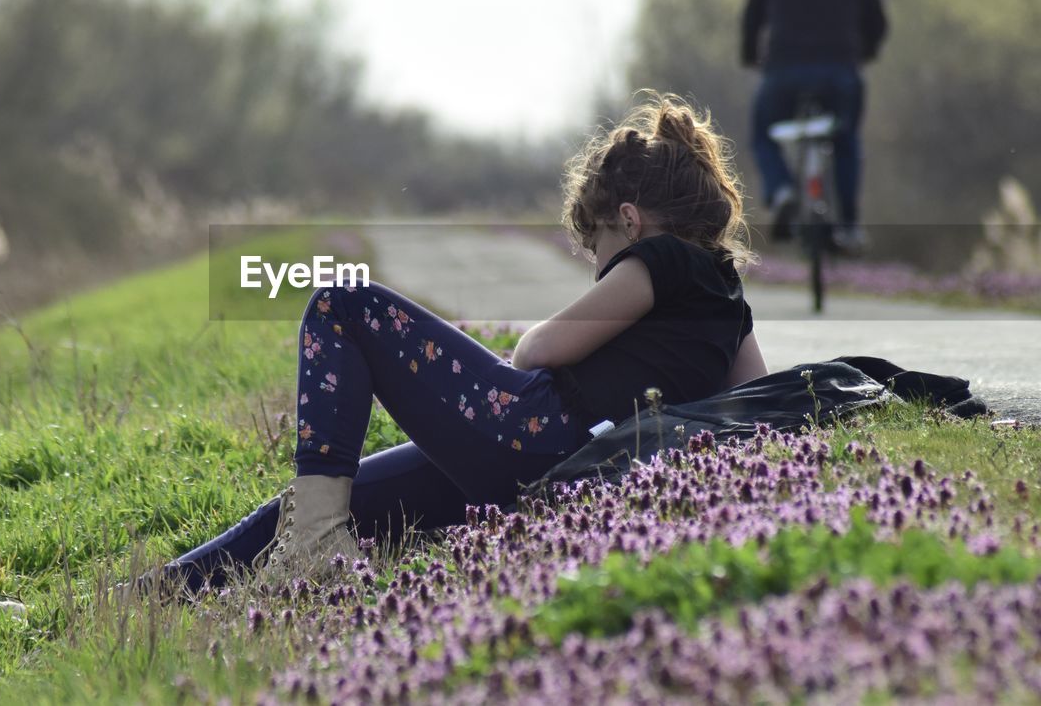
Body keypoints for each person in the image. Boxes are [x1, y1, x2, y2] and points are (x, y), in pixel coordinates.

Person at [152, 94, 768, 594]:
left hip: (540, 437)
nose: (599, 270)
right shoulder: (729, 305)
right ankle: (165, 590)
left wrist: (513, 362)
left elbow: (541, 350)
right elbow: (758, 408)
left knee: (341, 301)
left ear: (629, 223)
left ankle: (311, 551)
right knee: (336, 498)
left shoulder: (659, 259)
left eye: (599, 250)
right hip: (569, 477)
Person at [742, 0, 887, 253]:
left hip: (783, 71)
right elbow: (878, 22)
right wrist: (864, 53)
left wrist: (750, 55)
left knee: (763, 134)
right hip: (839, 72)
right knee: (846, 139)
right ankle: (849, 225)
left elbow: (751, 14)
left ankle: (781, 191)